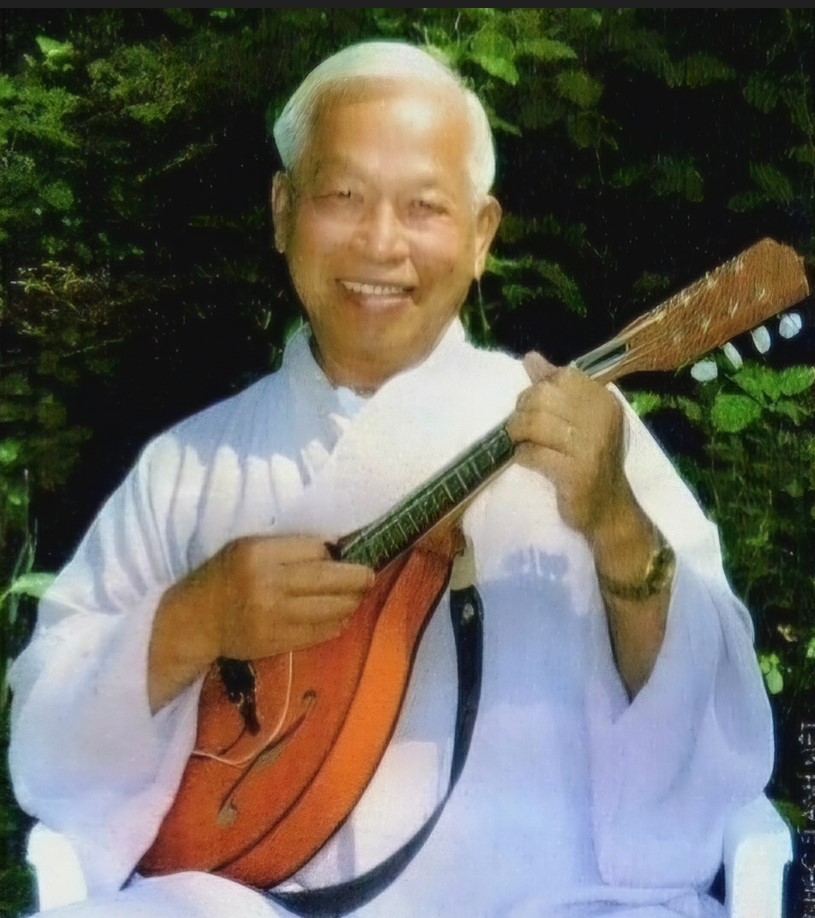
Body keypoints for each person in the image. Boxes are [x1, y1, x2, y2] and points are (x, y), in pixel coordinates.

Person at [8, 40, 774, 917]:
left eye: (423, 207)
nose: (380, 243)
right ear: (282, 211)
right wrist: (192, 621)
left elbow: (710, 747)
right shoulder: (189, 468)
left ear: (481, 236)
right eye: (342, 197)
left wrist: (616, 524)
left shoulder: (586, 434)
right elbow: (50, 751)